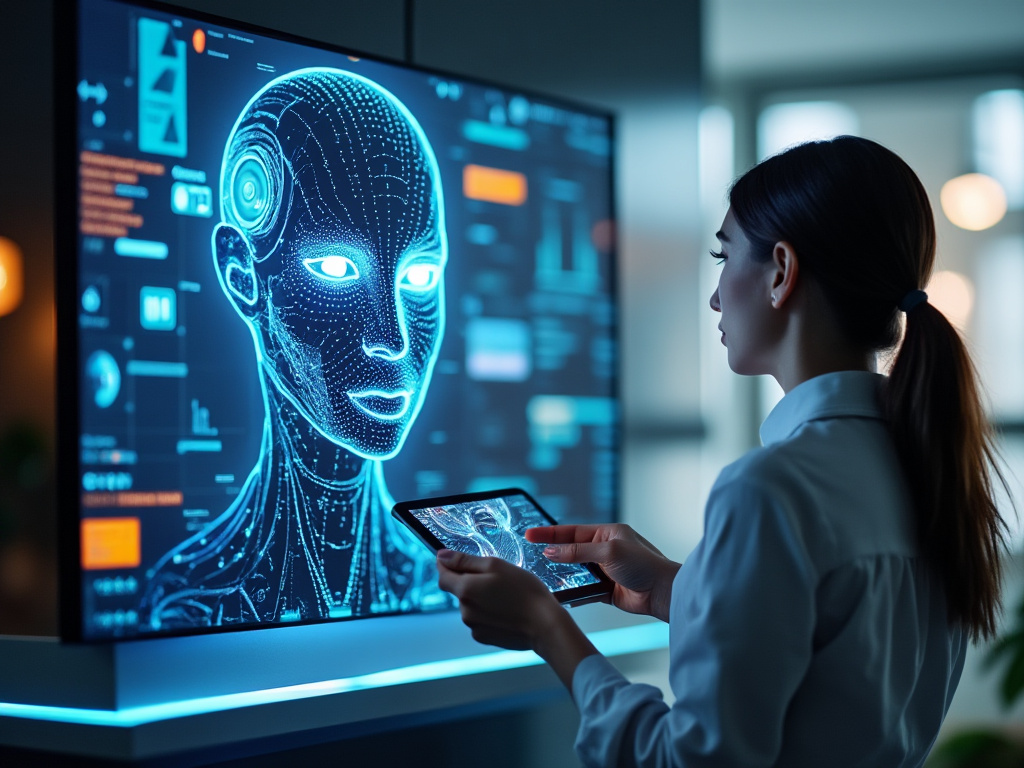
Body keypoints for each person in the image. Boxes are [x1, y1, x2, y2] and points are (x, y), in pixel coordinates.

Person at [436, 136, 1011, 766]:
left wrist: (549, 630)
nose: (714, 295)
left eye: (724, 254)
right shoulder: (925, 469)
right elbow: (831, 661)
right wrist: (668, 590)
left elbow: (691, 760)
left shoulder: (771, 488)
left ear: (782, 272)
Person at [142, 68, 450, 629]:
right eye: (335, 268)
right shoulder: (189, 605)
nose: (393, 337)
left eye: (421, 276)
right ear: (242, 274)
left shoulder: (443, 588)